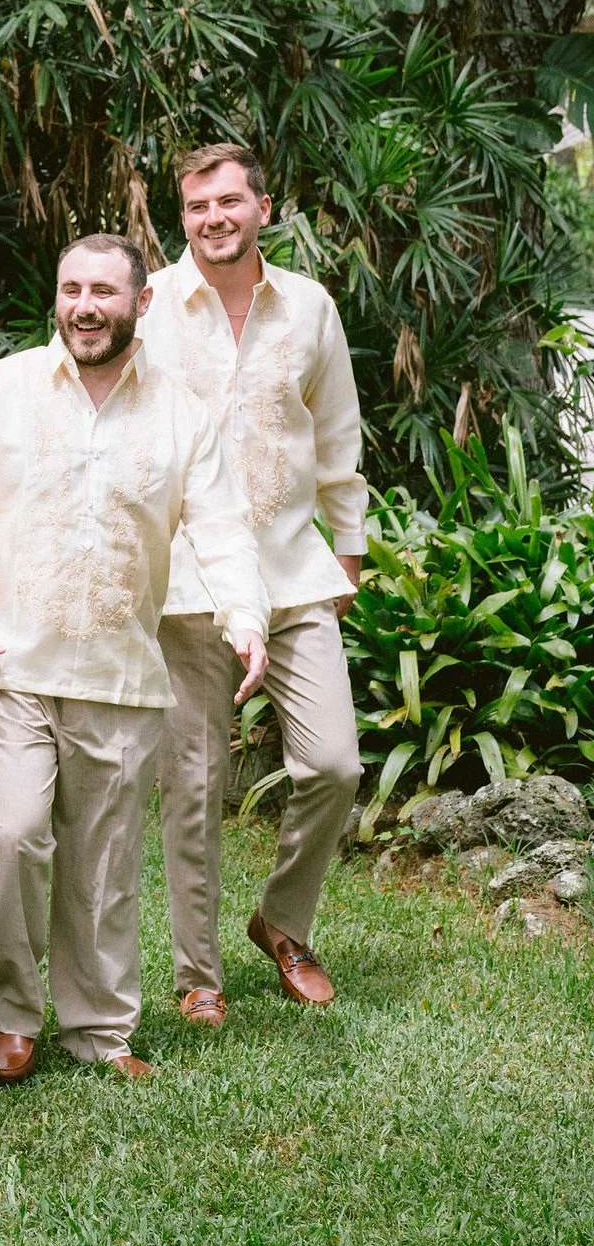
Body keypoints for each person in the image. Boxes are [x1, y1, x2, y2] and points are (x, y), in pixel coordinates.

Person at [0, 233, 267, 1082]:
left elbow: (221, 525)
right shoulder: (1, 390)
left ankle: (100, 1030)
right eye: (71, 288)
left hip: (120, 674)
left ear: (140, 303)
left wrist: (246, 616)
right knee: (11, 838)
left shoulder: (183, 412)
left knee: (104, 864)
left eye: (103, 293)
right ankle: (13, 1012)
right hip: (6, 664)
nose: (84, 306)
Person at [140, 141, 367, 1020]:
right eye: (198, 206)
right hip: (187, 584)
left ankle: (282, 920)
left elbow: (339, 435)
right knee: (193, 785)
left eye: (229, 201)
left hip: (291, 573)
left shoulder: (309, 308)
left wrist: (347, 551)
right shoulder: (151, 306)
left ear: (263, 207)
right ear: (183, 217)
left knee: (333, 764)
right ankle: (200, 976)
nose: (214, 219)